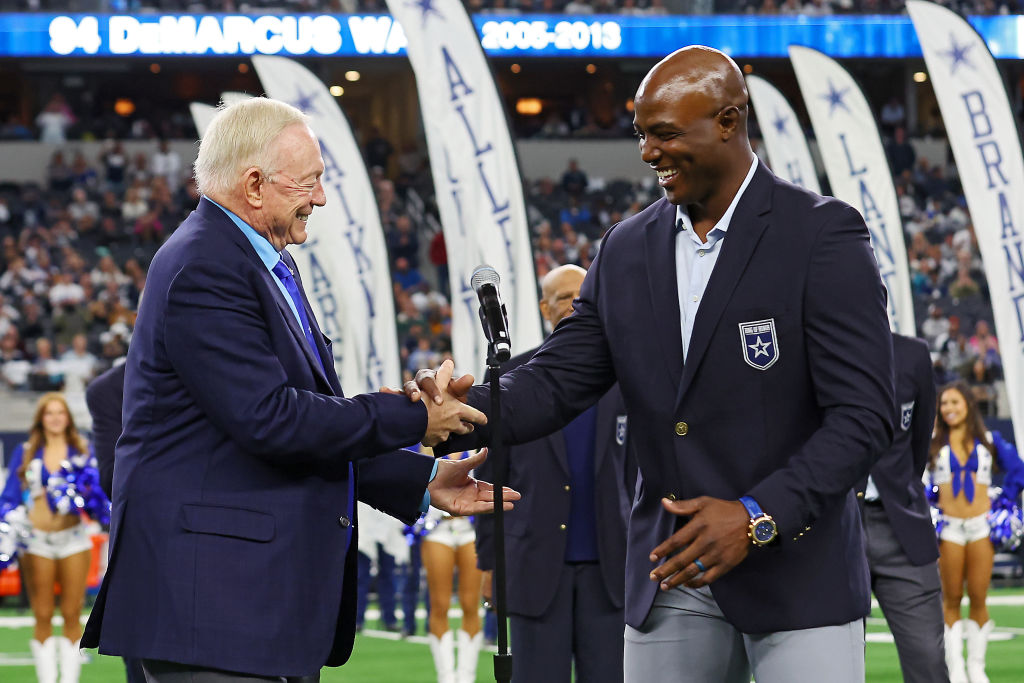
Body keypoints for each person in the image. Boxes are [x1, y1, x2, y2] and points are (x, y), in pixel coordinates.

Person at [408, 45, 894, 682]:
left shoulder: (821, 234)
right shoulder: (626, 247)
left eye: (664, 134)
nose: (647, 153)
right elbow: (554, 381)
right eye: (641, 134)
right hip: (672, 575)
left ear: (728, 120)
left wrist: (757, 515)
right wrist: (446, 412)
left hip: (797, 571)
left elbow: (865, 416)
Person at [79, 97, 516, 682]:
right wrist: (415, 418)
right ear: (254, 185)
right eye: (309, 181)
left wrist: (420, 478)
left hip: (245, 606)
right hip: (212, 608)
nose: (322, 198)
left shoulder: (251, 261)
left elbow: (283, 428)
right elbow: (272, 420)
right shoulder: (206, 266)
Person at [473, 264, 633, 683]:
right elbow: (492, 475)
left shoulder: (625, 376)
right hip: (533, 568)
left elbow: (640, 472)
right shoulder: (510, 375)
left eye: (583, 297)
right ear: (545, 308)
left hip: (611, 571)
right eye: (564, 298)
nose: (574, 306)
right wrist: (488, 561)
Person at [857, 333, 946, 683]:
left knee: (928, 663)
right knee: (829, 666)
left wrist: (899, 492)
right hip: (832, 530)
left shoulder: (913, 354)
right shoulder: (811, 348)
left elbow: (919, 441)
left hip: (902, 528)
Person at [0, 393, 103, 683]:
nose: (55, 418)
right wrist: (10, 521)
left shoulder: (82, 450)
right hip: (36, 542)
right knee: (42, 613)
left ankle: (69, 680)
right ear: (41, 418)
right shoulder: (25, 451)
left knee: (72, 612)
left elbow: (96, 499)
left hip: (74, 538)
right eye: (49, 413)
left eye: (60, 412)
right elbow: (9, 497)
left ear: (68, 417)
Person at [927, 382, 1024, 683]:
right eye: (944, 404)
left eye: (954, 402)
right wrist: (930, 499)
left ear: (968, 405)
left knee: (979, 596)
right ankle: (955, 668)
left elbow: (1018, 470)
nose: (949, 409)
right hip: (950, 528)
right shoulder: (933, 443)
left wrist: (1004, 500)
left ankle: (977, 668)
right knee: (952, 597)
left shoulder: (990, 440)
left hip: (981, 526)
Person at [421, 451, 485, 683]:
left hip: (470, 528)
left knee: (471, 603)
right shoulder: (429, 443)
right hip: (437, 528)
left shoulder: (477, 446)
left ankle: (467, 676)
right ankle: (446, 677)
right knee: (439, 604)